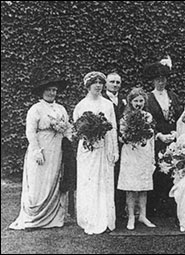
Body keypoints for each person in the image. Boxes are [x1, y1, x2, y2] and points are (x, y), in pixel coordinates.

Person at [9, 69, 71, 230]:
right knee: (38, 182)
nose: (52, 93)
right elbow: (30, 131)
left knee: (54, 180)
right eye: (49, 90)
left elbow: (68, 129)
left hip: (57, 149)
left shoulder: (61, 109)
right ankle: (34, 219)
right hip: (42, 148)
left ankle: (54, 218)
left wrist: (69, 139)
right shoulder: (35, 109)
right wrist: (36, 151)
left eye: (54, 90)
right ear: (42, 91)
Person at [73, 71, 119, 235]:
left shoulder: (107, 105)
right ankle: (89, 218)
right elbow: (77, 130)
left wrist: (114, 150)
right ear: (88, 85)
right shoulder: (81, 105)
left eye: (101, 83)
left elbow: (113, 128)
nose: (98, 86)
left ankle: (105, 219)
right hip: (87, 149)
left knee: (104, 182)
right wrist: (88, 134)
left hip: (104, 146)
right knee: (88, 181)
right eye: (95, 83)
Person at [144, 59, 183, 217]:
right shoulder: (147, 98)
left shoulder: (173, 96)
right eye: (158, 79)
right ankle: (155, 209)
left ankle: (171, 208)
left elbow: (180, 117)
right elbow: (147, 120)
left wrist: (175, 133)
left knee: (173, 169)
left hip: (172, 139)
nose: (161, 82)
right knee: (157, 172)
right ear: (153, 80)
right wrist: (159, 135)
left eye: (163, 78)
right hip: (156, 139)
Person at [117, 87, 157, 230]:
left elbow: (151, 137)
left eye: (141, 101)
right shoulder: (125, 118)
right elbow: (121, 137)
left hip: (144, 152)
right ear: (130, 102)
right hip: (130, 153)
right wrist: (128, 137)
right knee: (131, 186)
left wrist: (152, 157)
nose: (138, 103)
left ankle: (143, 215)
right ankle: (131, 217)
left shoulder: (148, 116)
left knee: (143, 185)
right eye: (135, 101)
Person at [102, 72, 127, 220]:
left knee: (121, 174)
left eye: (118, 82)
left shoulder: (124, 100)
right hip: (108, 141)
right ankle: (108, 208)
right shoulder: (102, 99)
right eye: (112, 82)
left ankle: (120, 209)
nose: (115, 85)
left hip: (123, 141)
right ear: (106, 84)